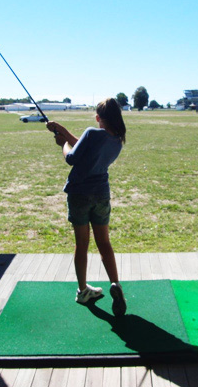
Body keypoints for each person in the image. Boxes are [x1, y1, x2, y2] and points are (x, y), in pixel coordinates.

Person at [46, 98, 127, 316]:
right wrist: (63, 130)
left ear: (99, 118)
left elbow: (73, 157)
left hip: (79, 195)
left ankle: (83, 291)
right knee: (104, 243)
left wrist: (63, 144)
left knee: (82, 245)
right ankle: (115, 284)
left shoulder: (92, 133)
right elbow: (85, 146)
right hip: (101, 195)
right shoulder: (117, 139)